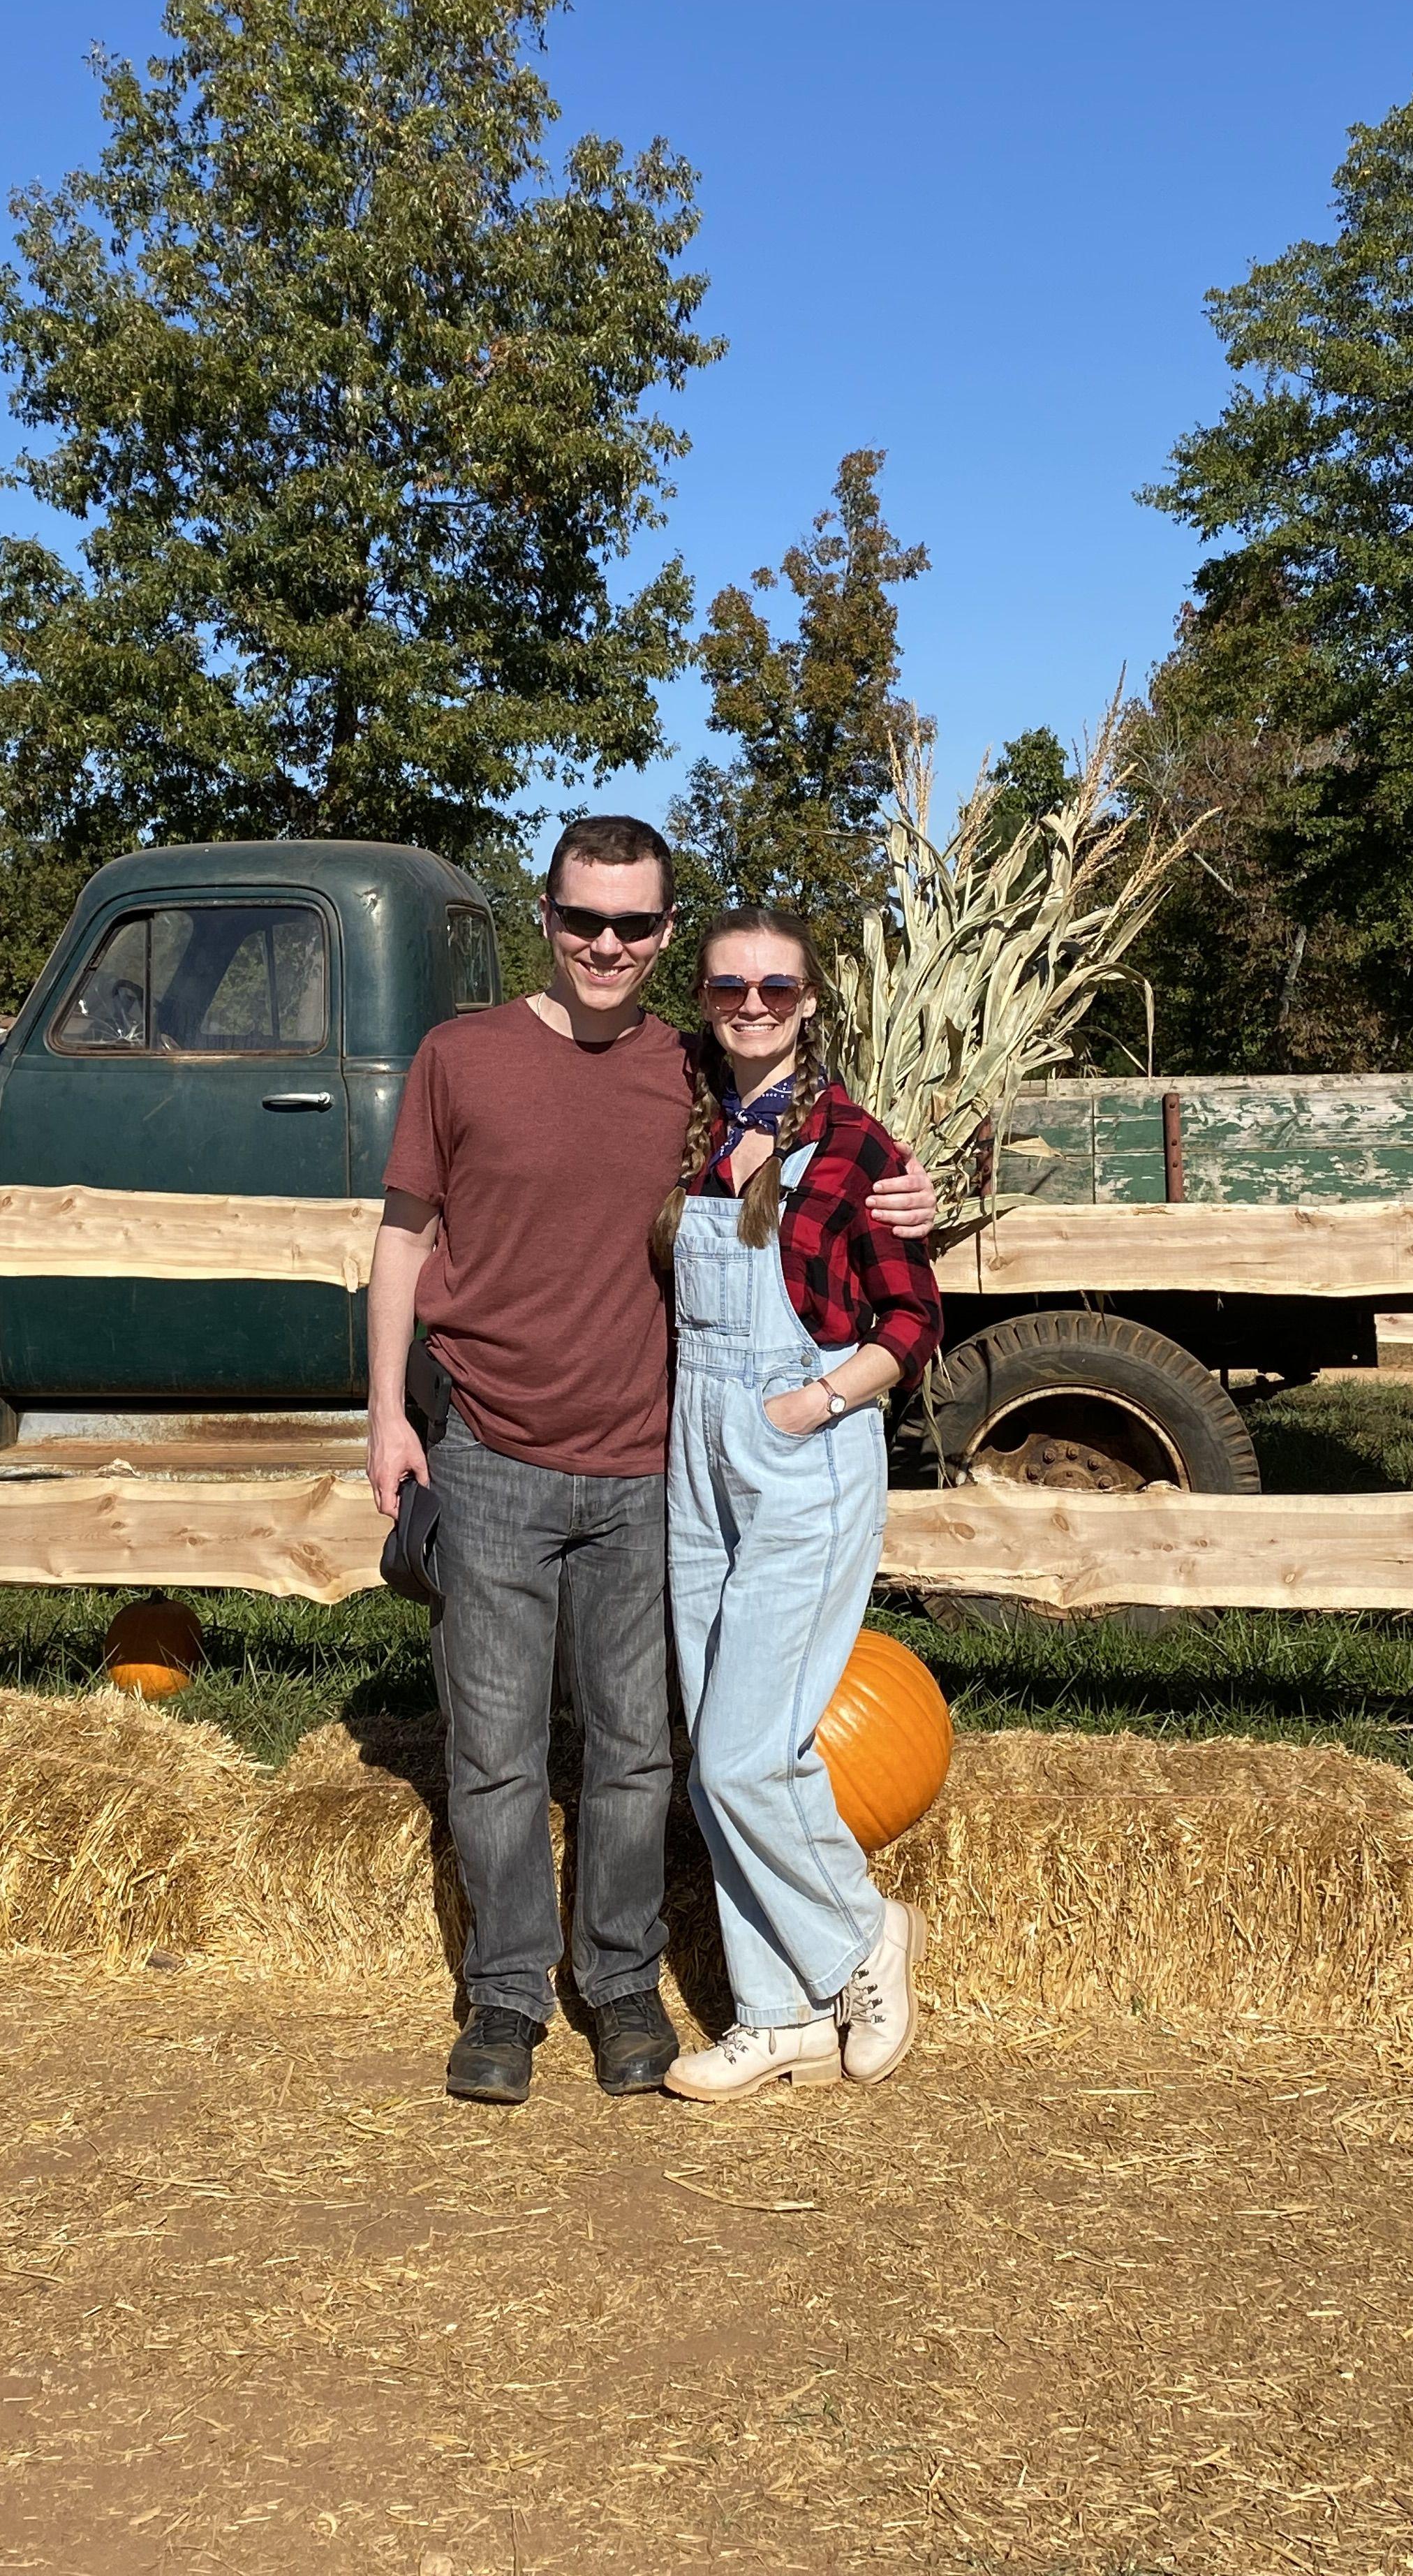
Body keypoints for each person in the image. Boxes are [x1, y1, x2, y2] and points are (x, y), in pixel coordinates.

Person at [364, 818, 937, 2107]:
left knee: (637, 1750)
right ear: (549, 918)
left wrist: (917, 1190)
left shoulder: (692, 1068)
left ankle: (622, 1984)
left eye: (633, 924)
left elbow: (832, 1139)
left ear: (665, 934)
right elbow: (401, 1238)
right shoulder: (463, 1057)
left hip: (646, 1465)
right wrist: (388, 1416)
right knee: (495, 1746)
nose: (606, 944)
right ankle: (506, 1996)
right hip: (493, 1451)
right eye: (582, 920)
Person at [652, 908, 941, 2100]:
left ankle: (861, 1937)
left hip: (799, 1451)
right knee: (720, 1743)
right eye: (730, 988)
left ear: (813, 1001)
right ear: (706, 997)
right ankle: (778, 2016)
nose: (754, 1006)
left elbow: (913, 1325)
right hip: (691, 1451)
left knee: (739, 1755)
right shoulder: (688, 1122)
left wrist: (813, 1405)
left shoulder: (857, 1146)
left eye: (778, 988)